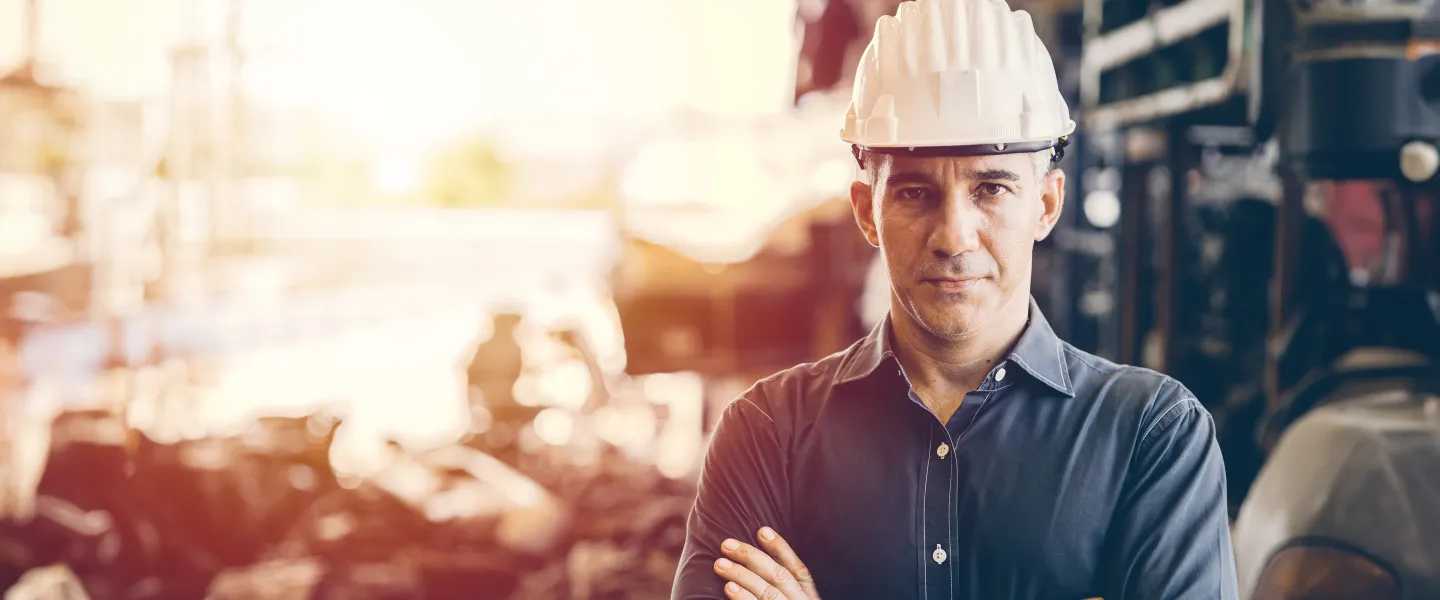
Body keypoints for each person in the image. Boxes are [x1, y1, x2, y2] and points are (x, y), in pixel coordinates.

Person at [671, 1, 1239, 598]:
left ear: (1046, 204)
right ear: (868, 211)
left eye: (990, 187)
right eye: (915, 193)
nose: (952, 237)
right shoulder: (766, 436)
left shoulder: (1152, 438)